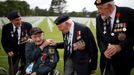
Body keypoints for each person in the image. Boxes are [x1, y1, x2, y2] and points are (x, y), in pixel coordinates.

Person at [94, 0, 134, 75]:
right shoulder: (99, 18)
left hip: (123, 62)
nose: (98, 11)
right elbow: (99, 38)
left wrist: (120, 46)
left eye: (100, 8)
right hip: (106, 61)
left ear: (109, 6)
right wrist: (104, 50)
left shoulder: (128, 13)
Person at [1, 10, 32, 75]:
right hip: (13, 53)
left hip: (25, 52)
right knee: (13, 71)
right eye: (17, 20)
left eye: (20, 19)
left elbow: (32, 37)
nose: (20, 22)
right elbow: (4, 42)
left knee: (25, 70)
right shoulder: (6, 28)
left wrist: (30, 40)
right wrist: (8, 51)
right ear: (11, 21)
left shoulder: (28, 25)